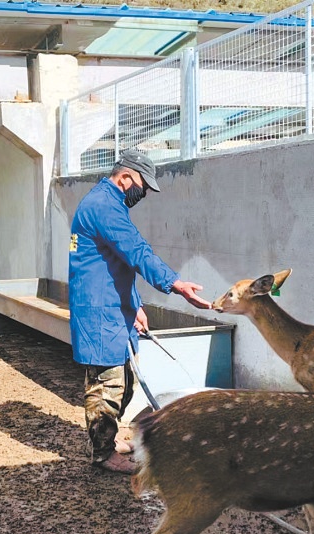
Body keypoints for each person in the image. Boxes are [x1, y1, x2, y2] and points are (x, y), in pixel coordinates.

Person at [68, 149, 211, 474]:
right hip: (99, 311)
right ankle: (103, 454)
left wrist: (135, 307)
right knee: (107, 387)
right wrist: (175, 284)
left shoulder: (106, 203)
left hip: (113, 306)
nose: (144, 194)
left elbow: (117, 263)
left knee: (126, 382)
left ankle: (108, 440)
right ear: (126, 177)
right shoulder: (104, 207)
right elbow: (137, 252)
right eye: (144, 187)